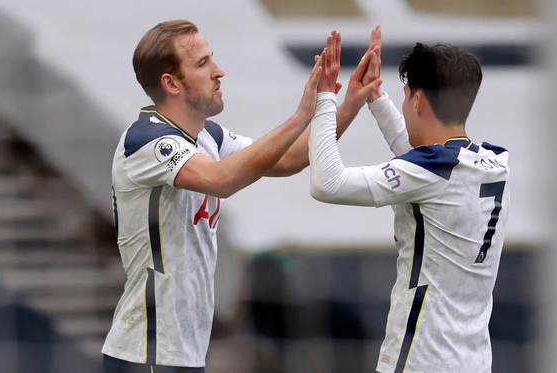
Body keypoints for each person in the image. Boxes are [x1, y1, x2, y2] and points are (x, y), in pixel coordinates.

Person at [102, 20, 372, 372]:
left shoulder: (208, 136)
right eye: (202, 64)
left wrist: (349, 104)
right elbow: (222, 180)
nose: (219, 71)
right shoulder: (146, 141)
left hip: (182, 353)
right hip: (147, 353)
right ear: (171, 83)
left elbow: (288, 159)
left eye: (212, 59)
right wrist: (301, 115)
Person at [309, 26, 510, 373]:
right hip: (473, 359)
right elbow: (421, 161)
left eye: (406, 97)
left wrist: (325, 99)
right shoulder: (494, 162)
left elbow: (326, 183)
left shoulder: (434, 169)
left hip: (422, 355)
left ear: (417, 101)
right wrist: (376, 98)